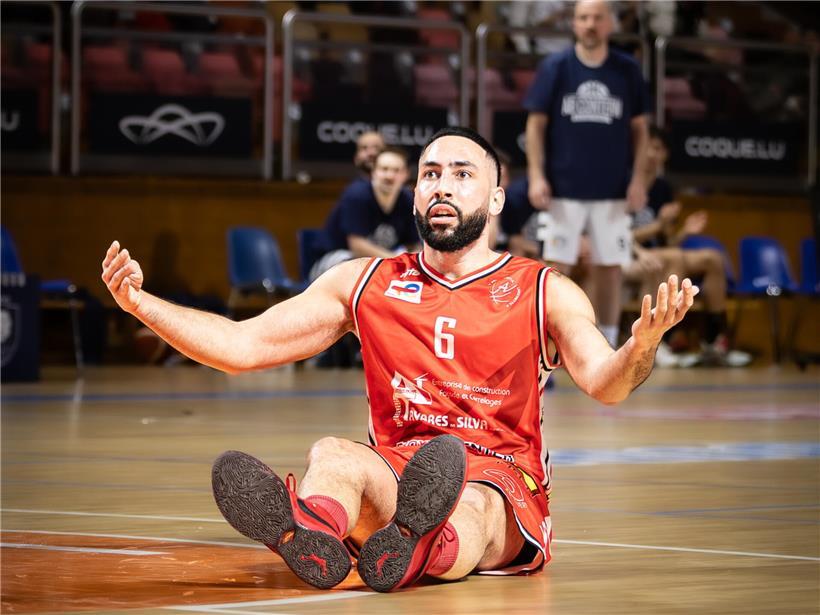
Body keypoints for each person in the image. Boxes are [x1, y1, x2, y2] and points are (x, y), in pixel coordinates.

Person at [101, 126, 698, 593]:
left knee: (473, 504)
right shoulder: (365, 282)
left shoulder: (544, 288)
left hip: (501, 483)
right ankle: (313, 531)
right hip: (399, 468)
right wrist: (141, 305)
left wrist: (640, 347)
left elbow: (605, 383)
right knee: (335, 454)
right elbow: (242, 346)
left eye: (462, 174)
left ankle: (416, 549)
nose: (442, 185)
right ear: (414, 194)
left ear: (494, 198)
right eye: (431, 174)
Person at [524, 0, 650, 349]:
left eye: (597, 17)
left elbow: (641, 130)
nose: (590, 24)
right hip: (563, 187)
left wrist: (638, 179)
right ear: (574, 23)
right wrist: (536, 175)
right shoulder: (555, 66)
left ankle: (607, 344)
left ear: (610, 23)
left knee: (610, 266)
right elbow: (534, 125)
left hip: (612, 188)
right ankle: (546, 345)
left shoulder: (627, 70)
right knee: (555, 268)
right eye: (583, 18)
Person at [624, 126, 751, 367]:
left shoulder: (663, 189)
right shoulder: (623, 183)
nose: (651, 153)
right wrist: (657, 226)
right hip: (630, 255)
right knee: (674, 257)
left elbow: (668, 241)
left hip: (661, 253)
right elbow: (616, 234)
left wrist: (684, 232)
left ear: (665, 155)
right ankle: (664, 340)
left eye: (658, 148)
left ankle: (714, 341)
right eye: (648, 146)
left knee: (712, 258)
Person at [309, 146, 420, 281]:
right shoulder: (357, 194)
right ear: (373, 172)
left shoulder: (408, 199)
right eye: (384, 169)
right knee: (360, 270)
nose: (389, 176)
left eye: (396, 170)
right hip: (333, 262)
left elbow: (415, 245)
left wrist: (413, 263)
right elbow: (357, 246)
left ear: (406, 174)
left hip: (379, 263)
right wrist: (398, 262)